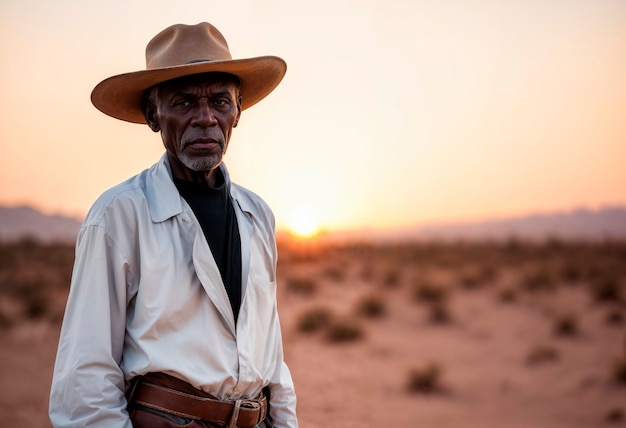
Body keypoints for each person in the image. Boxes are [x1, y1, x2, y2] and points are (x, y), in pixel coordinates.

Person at [49, 22, 298, 428]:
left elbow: (271, 356)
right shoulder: (119, 215)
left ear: (238, 111)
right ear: (153, 115)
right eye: (183, 103)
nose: (205, 118)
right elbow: (85, 376)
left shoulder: (257, 214)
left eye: (219, 101)